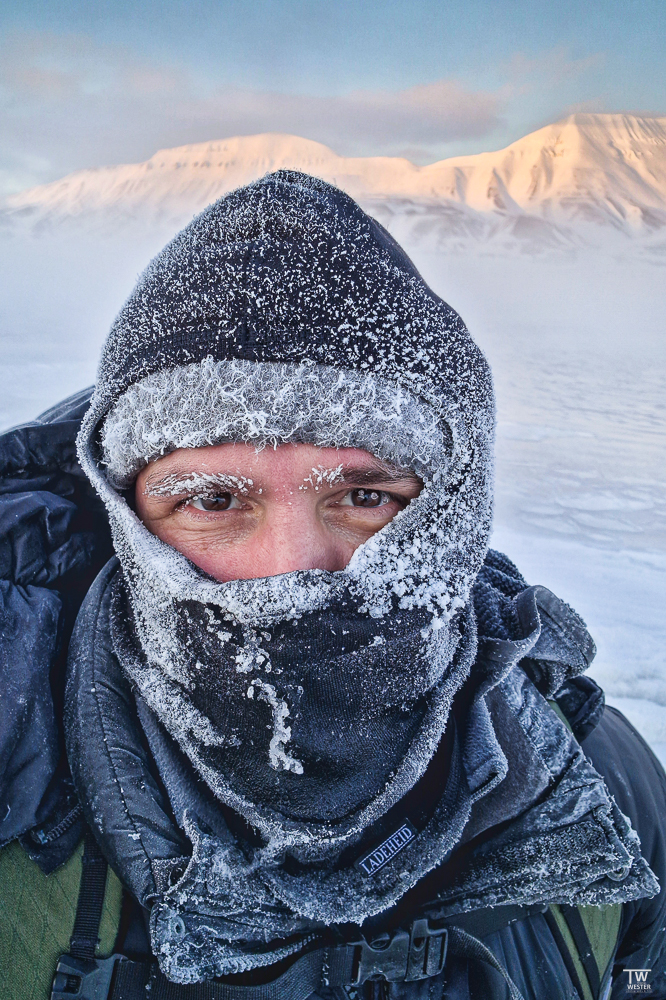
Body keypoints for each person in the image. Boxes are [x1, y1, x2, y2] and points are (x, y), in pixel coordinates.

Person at [0, 171, 665, 1000]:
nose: (291, 571)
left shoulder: (598, 795)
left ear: (456, 515)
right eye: (212, 499)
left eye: (363, 497)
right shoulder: (18, 792)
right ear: (125, 518)